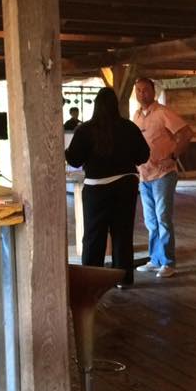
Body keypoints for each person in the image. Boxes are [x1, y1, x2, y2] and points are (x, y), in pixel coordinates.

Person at [65, 87, 149, 289]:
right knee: (122, 233)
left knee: (94, 235)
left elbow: (75, 160)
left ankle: (91, 281)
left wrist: (67, 151)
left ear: (96, 106)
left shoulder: (85, 129)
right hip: (126, 185)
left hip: (96, 188)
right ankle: (124, 279)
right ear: (115, 106)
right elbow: (143, 155)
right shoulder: (129, 127)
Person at [132, 77, 193, 278]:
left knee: (163, 218)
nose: (142, 94)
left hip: (163, 174)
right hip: (144, 175)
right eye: (138, 90)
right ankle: (155, 259)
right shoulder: (136, 115)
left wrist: (173, 156)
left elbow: (186, 133)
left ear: (154, 92)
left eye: (145, 90)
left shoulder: (163, 112)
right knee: (150, 221)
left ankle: (168, 262)